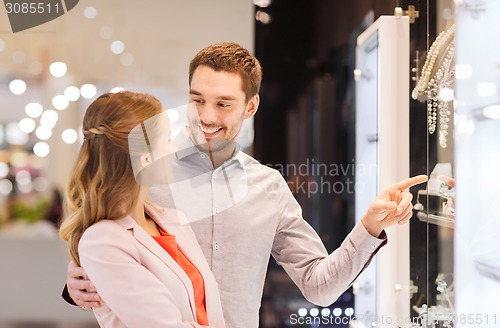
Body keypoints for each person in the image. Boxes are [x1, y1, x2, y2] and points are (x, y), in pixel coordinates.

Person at [64, 43, 428, 327]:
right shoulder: (147, 173)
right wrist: (76, 279)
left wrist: (369, 227)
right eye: (197, 100)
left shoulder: (268, 187)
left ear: (251, 106)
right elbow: (102, 237)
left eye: (223, 104)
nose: (207, 116)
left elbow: (319, 286)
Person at [59, 91, 225, 327]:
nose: (175, 146)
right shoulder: (103, 240)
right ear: (146, 159)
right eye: (167, 138)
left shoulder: (171, 218)